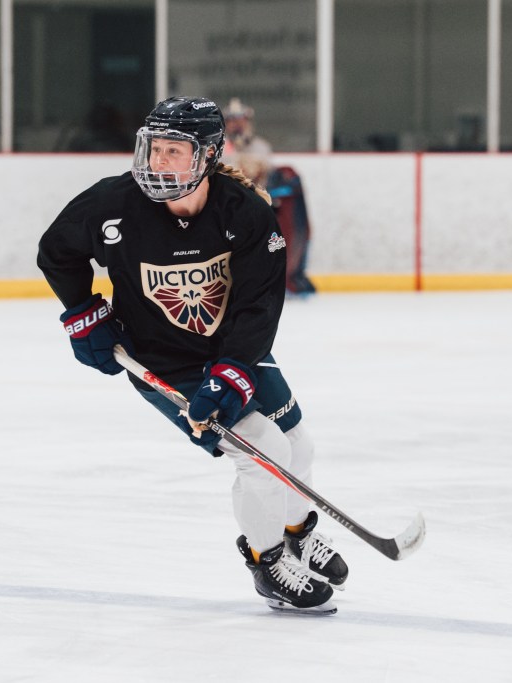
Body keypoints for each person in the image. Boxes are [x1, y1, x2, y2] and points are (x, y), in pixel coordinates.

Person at [37, 96, 348, 614]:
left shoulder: (245, 212)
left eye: (174, 152)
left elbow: (258, 306)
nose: (159, 163)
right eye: (154, 149)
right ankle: (266, 562)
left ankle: (296, 533)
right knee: (262, 449)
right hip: (161, 360)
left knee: (298, 442)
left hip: (230, 349)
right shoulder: (114, 204)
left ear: (207, 154)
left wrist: (234, 368)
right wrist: (84, 313)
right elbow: (57, 251)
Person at [223, 98, 316, 296]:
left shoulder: (261, 147)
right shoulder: (219, 148)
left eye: (241, 119)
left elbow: (268, 180)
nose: (237, 124)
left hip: (257, 207)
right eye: (232, 120)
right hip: (226, 209)